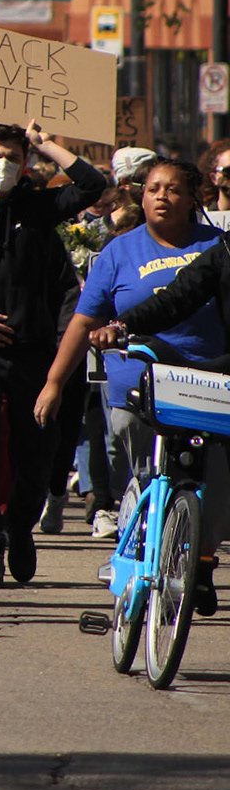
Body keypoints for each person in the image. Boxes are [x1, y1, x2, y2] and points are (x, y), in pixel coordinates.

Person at [0, 121, 104, 588]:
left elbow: (92, 185)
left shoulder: (37, 211)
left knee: (38, 453)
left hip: (34, 353)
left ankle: (20, 528)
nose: (4, 165)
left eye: (13, 157)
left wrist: (44, 143)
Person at [37, 159, 223, 547]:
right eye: (154, 189)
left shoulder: (216, 247)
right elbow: (83, 322)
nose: (162, 197)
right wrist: (54, 382)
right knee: (148, 477)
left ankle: (196, 559)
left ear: (192, 199)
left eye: (173, 190)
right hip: (139, 387)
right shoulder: (118, 251)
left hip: (209, 383)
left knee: (209, 485)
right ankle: (140, 548)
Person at [82, 171, 230, 613]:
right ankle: (146, 546)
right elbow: (177, 297)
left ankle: (201, 558)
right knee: (168, 465)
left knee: (219, 479)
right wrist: (122, 326)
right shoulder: (224, 251)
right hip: (181, 373)